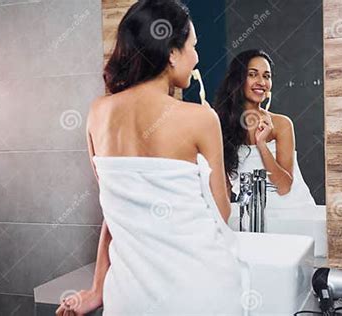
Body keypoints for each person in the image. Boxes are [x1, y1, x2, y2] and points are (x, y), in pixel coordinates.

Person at [56, 0, 248, 315]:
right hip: (200, 295)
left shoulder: (97, 113)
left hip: (129, 301)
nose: (197, 57)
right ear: (172, 53)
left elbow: (114, 212)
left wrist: (96, 290)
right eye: (193, 46)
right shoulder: (200, 119)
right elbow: (221, 213)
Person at [213, 50, 316, 225]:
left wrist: (262, 145)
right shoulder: (221, 125)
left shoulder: (281, 124)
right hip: (250, 217)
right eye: (253, 74)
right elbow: (226, 190)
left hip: (294, 213)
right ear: (238, 79)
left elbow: (284, 187)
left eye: (266, 76)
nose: (261, 82)